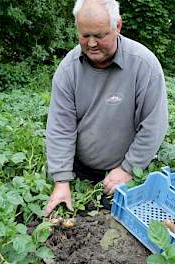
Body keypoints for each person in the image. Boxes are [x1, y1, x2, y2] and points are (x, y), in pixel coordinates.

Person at [44, 0, 168, 215]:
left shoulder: (144, 64)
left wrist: (128, 169)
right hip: (80, 170)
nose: (91, 43)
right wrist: (62, 180)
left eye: (99, 36)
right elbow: (60, 129)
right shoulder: (68, 70)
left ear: (117, 26)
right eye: (84, 36)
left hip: (126, 170)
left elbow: (153, 125)